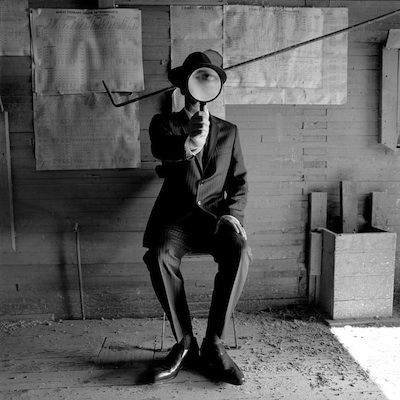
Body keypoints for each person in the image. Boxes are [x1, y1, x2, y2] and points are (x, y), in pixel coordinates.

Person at [143, 51, 252, 385]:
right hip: (177, 221)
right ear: (183, 86)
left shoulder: (229, 131)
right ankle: (184, 342)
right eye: (197, 77)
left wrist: (233, 216)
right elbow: (162, 148)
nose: (203, 83)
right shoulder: (164, 124)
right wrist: (189, 140)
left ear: (215, 86)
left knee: (240, 251)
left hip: (215, 221)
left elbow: (239, 181)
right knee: (158, 254)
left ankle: (214, 344)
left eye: (209, 78)